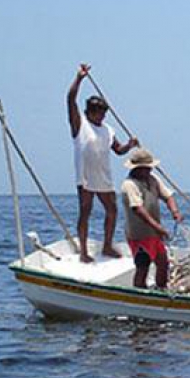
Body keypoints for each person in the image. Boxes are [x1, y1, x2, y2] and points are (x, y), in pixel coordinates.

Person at [67, 63, 139, 263]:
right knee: (86, 210)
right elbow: (70, 99)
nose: (102, 116)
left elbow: (118, 151)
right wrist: (79, 78)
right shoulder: (80, 123)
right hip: (85, 175)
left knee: (112, 209)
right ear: (90, 112)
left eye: (104, 113)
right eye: (99, 112)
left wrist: (130, 145)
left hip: (103, 175)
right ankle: (83, 251)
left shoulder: (108, 129)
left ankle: (107, 245)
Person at [120, 148, 183, 289]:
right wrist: (158, 227)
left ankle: (161, 289)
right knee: (143, 266)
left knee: (163, 263)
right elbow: (138, 209)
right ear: (137, 169)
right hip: (139, 235)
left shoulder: (152, 179)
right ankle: (139, 295)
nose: (148, 171)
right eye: (145, 168)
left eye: (149, 168)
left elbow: (168, 196)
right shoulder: (129, 185)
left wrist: (175, 211)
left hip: (154, 234)